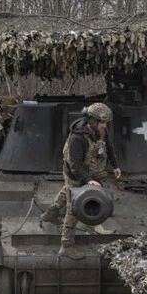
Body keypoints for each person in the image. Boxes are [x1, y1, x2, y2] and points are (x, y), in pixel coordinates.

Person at [40, 102, 121, 260]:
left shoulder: (101, 130)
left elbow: (109, 146)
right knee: (75, 205)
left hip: (93, 168)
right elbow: (75, 165)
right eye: (102, 122)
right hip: (75, 172)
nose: (105, 126)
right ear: (92, 120)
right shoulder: (77, 137)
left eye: (106, 123)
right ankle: (66, 245)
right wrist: (88, 180)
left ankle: (51, 212)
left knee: (67, 191)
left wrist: (115, 165)